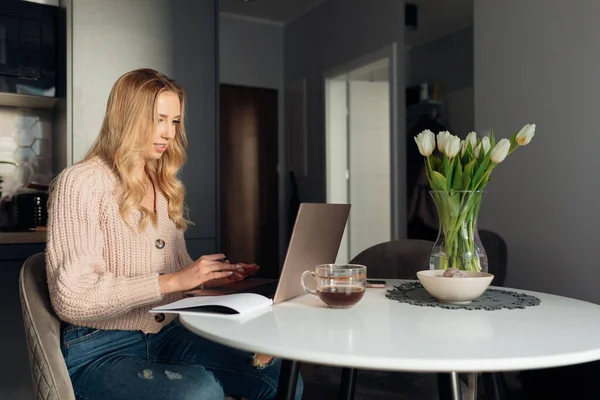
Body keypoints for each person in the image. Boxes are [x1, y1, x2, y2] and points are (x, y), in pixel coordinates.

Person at [45, 68, 304, 400]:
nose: (168, 133)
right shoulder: (80, 182)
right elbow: (72, 297)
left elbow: (177, 272)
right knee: (199, 391)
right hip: (98, 347)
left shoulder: (162, 186)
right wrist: (174, 281)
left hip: (168, 334)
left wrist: (210, 278)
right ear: (126, 117)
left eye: (175, 121)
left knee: (281, 377)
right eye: (159, 119)